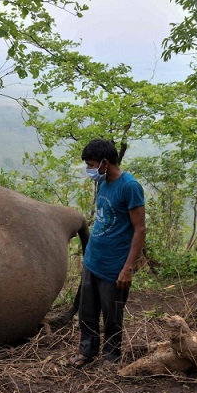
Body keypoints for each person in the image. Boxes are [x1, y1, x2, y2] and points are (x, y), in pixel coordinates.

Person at [70, 138, 146, 367]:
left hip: (114, 265)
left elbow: (140, 229)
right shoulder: (102, 184)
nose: (89, 169)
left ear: (105, 162)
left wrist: (128, 268)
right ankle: (87, 351)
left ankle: (111, 357)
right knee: (87, 312)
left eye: (91, 164)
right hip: (93, 259)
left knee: (112, 316)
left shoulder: (130, 187)